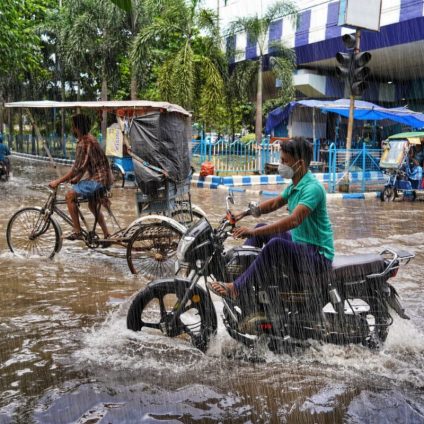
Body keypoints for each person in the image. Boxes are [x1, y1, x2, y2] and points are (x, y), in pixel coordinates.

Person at [209, 137, 334, 301]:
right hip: (300, 244)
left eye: (285, 161)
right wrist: (243, 213)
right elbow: (275, 203)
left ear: (300, 164)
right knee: (261, 227)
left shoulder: (312, 188)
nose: (280, 165)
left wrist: (252, 232)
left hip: (317, 255)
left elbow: (293, 221)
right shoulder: (296, 184)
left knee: (274, 245)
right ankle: (242, 276)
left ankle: (237, 288)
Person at [49, 113, 113, 241]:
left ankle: (77, 231)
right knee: (92, 205)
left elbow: (75, 169)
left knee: (69, 196)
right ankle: (106, 234)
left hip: (98, 180)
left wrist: (58, 181)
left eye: (73, 127)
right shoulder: (90, 139)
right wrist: (78, 179)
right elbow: (85, 164)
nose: (72, 129)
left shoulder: (83, 143)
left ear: (78, 128)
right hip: (104, 178)